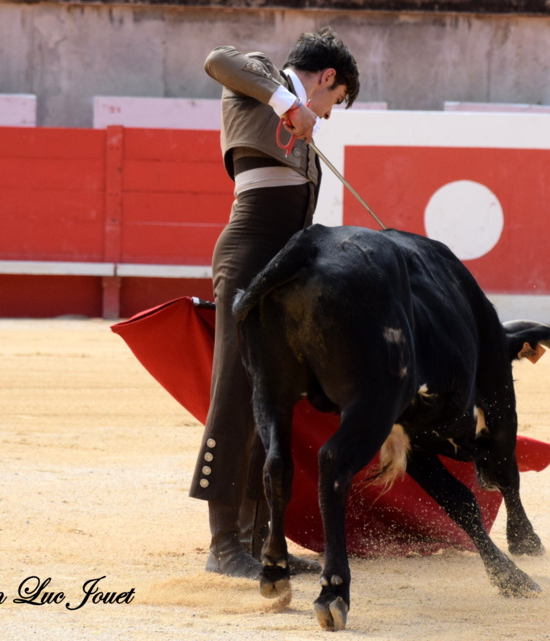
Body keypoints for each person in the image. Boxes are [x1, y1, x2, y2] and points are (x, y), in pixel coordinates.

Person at [191, 27, 359, 578]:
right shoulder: (262, 80)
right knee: (237, 394)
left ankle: (265, 542)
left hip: (285, 270)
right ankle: (224, 548)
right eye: (334, 102)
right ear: (326, 79)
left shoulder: (300, 131)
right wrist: (288, 102)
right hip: (247, 257)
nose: (329, 115)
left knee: (274, 402)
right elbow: (219, 58)